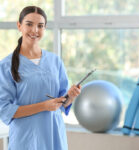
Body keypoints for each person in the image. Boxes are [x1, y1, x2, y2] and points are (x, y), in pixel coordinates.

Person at [0, 6, 81, 150]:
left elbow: (62, 103)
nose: (35, 30)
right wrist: (44, 106)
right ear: (19, 26)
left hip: (54, 136)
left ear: (45, 28)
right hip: (25, 140)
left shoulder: (55, 61)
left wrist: (71, 96)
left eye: (40, 26)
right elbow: (5, 110)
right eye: (29, 24)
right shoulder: (6, 65)